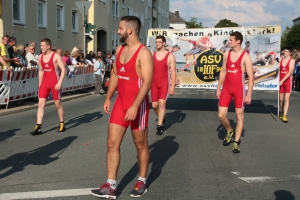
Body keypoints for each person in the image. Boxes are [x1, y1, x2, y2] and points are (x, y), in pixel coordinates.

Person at [91, 16, 153, 199]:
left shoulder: (144, 53)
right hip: (121, 103)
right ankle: (111, 186)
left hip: (138, 106)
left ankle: (141, 180)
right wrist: (109, 97)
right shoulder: (120, 49)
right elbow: (116, 74)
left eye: (120, 28)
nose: (118, 31)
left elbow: (147, 83)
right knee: (111, 144)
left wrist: (134, 106)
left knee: (140, 145)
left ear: (130, 30)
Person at [216, 31, 254, 153]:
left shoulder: (245, 56)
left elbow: (251, 77)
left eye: (231, 39)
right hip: (227, 88)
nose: (229, 41)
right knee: (221, 115)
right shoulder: (226, 54)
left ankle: (236, 141)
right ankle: (229, 130)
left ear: (238, 41)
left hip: (239, 90)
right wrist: (218, 88)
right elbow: (223, 72)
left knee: (239, 116)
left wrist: (248, 95)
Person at [30, 38, 66, 136]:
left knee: (58, 105)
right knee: (40, 104)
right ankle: (38, 126)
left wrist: (60, 82)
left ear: (48, 46)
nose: (40, 47)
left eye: (42, 45)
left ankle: (62, 123)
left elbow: (63, 70)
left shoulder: (56, 56)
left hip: (55, 83)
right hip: (45, 83)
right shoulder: (40, 57)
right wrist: (40, 85)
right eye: (40, 46)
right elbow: (41, 70)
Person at [151, 35, 176, 135]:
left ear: (164, 43)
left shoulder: (170, 56)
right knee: (154, 106)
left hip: (164, 83)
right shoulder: (152, 54)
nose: (157, 43)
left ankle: (159, 126)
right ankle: (161, 117)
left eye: (159, 42)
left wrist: (172, 86)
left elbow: (173, 72)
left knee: (162, 104)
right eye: (156, 42)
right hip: (154, 83)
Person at [279, 47, 295, 123]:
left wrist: (282, 80)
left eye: (286, 51)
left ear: (290, 53)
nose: (284, 52)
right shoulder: (281, 59)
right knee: (281, 99)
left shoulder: (292, 61)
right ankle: (281, 112)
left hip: (287, 81)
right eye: (284, 51)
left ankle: (284, 116)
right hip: (280, 81)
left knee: (286, 99)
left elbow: (289, 72)